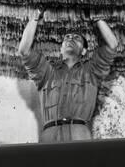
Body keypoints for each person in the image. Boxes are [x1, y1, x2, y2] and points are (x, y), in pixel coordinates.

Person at [17, 8, 118, 143]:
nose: (70, 38)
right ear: (61, 49)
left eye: (77, 38)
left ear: (83, 51)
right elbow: (24, 51)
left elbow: (112, 45)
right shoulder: (47, 72)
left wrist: (97, 18)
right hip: (50, 132)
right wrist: (35, 15)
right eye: (67, 37)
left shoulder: (91, 71)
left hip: (79, 132)